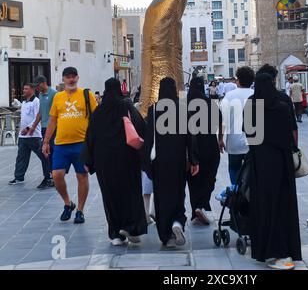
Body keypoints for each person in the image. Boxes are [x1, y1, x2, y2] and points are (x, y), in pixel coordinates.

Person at [82, 78, 147, 245]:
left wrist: (88, 161)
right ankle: (131, 227)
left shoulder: (99, 111)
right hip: (127, 159)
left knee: (110, 195)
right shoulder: (126, 107)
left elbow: (90, 136)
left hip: (105, 161)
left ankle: (115, 234)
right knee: (130, 192)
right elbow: (140, 128)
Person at [247, 73, 302, 270]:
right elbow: (290, 134)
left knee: (264, 206)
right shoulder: (282, 107)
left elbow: (248, 134)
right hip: (281, 162)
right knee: (283, 205)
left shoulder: (251, 106)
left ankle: (266, 250)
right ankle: (284, 248)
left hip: (260, 163)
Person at [143, 77, 200, 248]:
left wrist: (146, 164)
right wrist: (194, 160)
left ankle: (166, 235)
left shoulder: (154, 110)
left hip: (159, 162)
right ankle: (177, 222)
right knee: (178, 193)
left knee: (161, 197)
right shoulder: (183, 108)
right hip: (178, 161)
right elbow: (191, 137)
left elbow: (148, 139)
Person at [42, 67, 98, 225]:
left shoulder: (87, 95)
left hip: (82, 144)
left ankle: (80, 210)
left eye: (74, 77)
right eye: (68, 77)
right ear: (63, 79)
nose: (71, 79)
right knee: (57, 175)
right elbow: (52, 120)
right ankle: (68, 203)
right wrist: (46, 141)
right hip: (61, 144)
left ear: (78, 78)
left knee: (82, 176)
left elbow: (97, 117)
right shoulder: (58, 97)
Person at [217, 67, 255, 202]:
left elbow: (222, 120)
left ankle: (237, 197)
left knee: (234, 169)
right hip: (253, 142)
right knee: (252, 172)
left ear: (237, 80)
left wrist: (220, 138)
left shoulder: (229, 96)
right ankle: (250, 197)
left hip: (233, 141)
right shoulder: (256, 94)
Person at [187, 77, 221, 225]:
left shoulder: (185, 105)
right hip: (209, 145)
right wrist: (220, 139)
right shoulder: (210, 104)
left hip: (192, 147)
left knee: (193, 179)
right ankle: (202, 205)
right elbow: (220, 122)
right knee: (209, 176)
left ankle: (196, 207)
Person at [9, 84, 51, 187]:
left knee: (43, 156)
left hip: (34, 135)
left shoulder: (36, 101)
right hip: (23, 136)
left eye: (26, 88)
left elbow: (38, 117)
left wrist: (28, 128)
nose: (24, 90)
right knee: (21, 157)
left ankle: (50, 176)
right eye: (23, 88)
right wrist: (20, 127)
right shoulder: (24, 102)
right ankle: (19, 177)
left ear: (32, 90)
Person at [257, 64, 298, 146]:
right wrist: (295, 148)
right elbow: (293, 127)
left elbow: (248, 132)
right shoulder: (285, 99)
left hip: (260, 153)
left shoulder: (252, 100)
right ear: (274, 80)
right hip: (282, 150)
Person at [33, 75, 57, 189]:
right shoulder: (41, 95)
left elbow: (57, 113)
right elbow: (40, 113)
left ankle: (50, 177)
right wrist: (33, 127)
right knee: (44, 152)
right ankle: (50, 176)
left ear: (43, 83)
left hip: (52, 128)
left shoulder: (54, 94)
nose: (36, 88)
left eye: (37, 86)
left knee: (46, 152)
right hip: (43, 128)